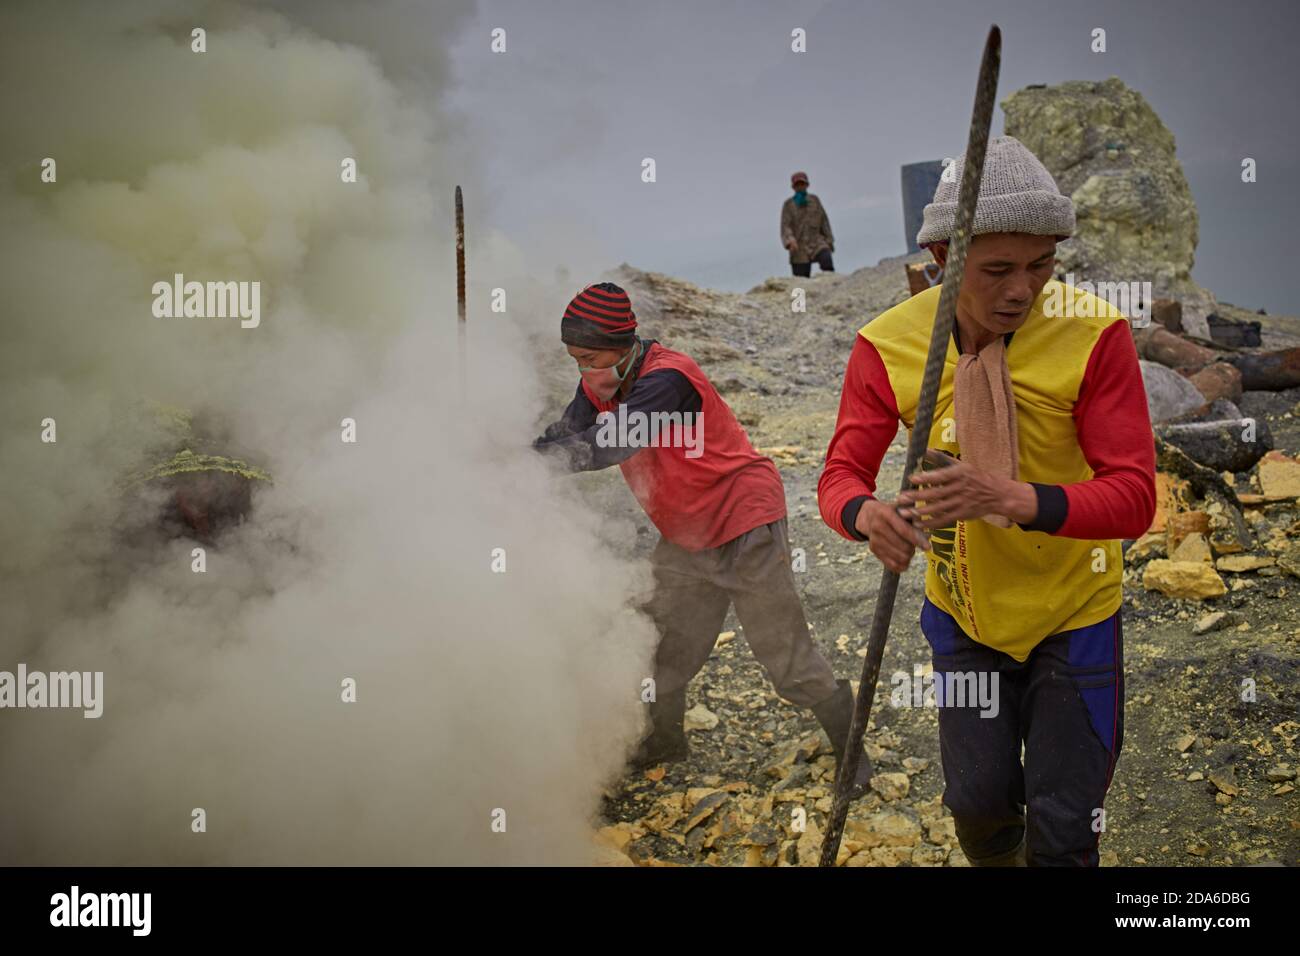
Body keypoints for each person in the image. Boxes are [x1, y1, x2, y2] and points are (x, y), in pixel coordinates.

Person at [817, 137, 1156, 865]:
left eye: (1041, 265)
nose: (1021, 290)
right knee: (977, 804)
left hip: (1076, 615)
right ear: (941, 260)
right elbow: (839, 476)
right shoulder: (888, 346)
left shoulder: (1095, 335)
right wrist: (865, 515)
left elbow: (1133, 500)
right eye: (996, 268)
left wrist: (1008, 496)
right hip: (965, 614)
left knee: (1065, 825)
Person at [535, 281, 873, 795]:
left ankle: (852, 754)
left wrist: (534, 464)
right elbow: (566, 435)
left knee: (785, 656)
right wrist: (512, 459)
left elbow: (611, 444)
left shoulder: (669, 379)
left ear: (624, 344)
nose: (584, 371)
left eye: (591, 357)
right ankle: (665, 742)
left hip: (743, 521)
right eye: (575, 360)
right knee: (664, 646)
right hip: (685, 534)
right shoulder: (598, 385)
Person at [780, 171, 835, 277]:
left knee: (826, 259)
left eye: (802, 184)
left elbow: (824, 221)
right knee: (801, 283)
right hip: (799, 247)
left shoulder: (814, 200)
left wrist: (829, 240)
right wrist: (790, 241)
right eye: (797, 184)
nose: (800, 186)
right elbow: (785, 226)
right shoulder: (788, 205)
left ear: (807, 185)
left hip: (817, 242)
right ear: (793, 187)